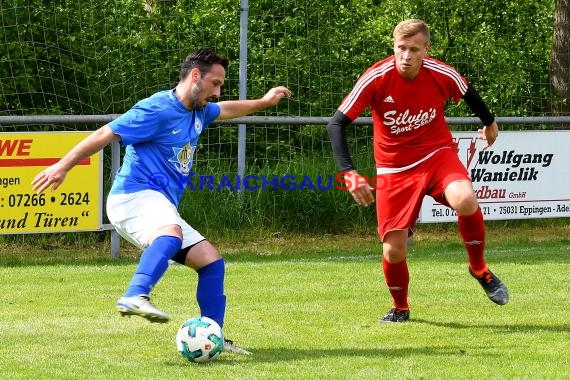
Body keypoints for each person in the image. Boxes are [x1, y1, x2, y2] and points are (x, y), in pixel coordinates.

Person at [32, 48, 292, 352]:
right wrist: (63, 165)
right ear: (196, 76)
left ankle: (214, 337)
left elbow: (229, 109)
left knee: (211, 262)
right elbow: (106, 132)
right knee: (171, 232)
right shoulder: (156, 109)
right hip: (133, 196)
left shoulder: (199, 110)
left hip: (158, 203)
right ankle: (135, 294)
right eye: (215, 83)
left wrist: (264, 102)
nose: (218, 91)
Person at [326, 19, 508, 323]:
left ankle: (479, 269)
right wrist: (349, 172)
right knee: (393, 251)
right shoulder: (376, 77)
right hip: (394, 169)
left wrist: (489, 122)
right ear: (393, 46)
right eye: (401, 48)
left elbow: (468, 93)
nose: (406, 55)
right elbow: (336, 123)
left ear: (426, 49)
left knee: (465, 199)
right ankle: (400, 306)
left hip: (436, 154)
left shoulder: (440, 73)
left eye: (413, 49)